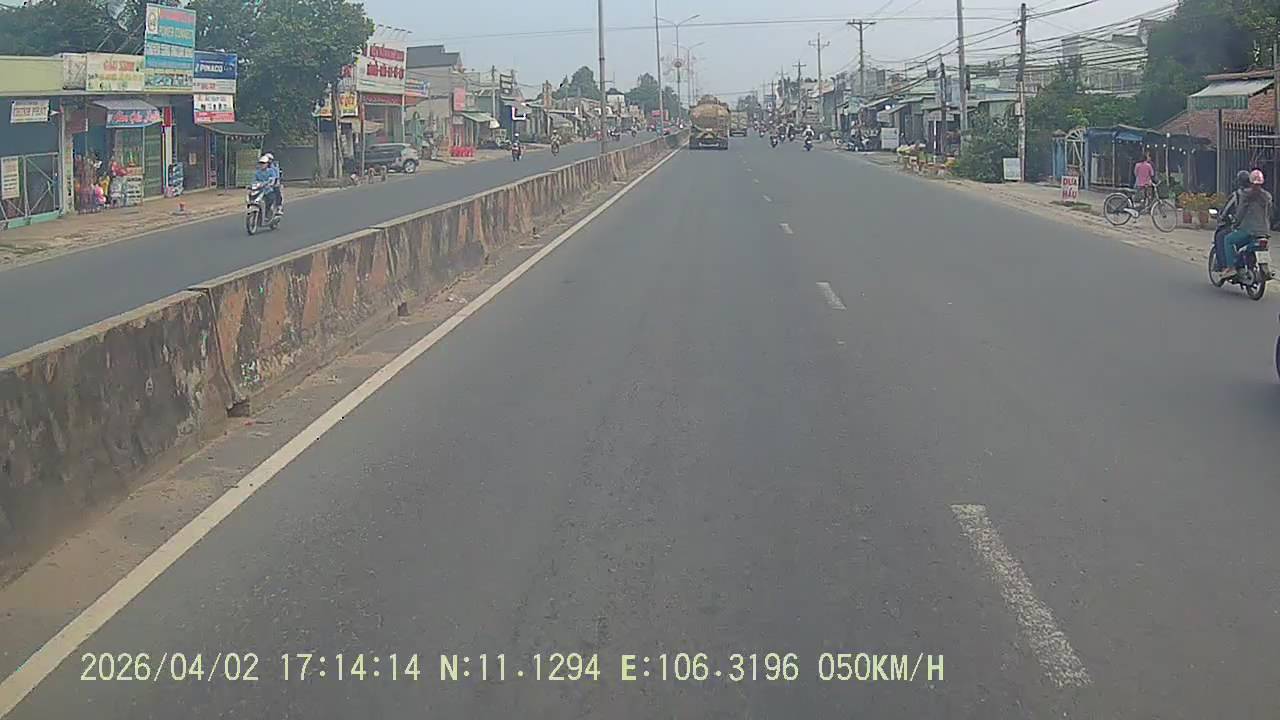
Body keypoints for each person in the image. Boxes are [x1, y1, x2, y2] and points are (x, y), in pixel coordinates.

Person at [1221, 169, 1273, 278]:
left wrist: (1235, 224)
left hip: (1248, 231)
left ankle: (1231, 268)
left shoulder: (1245, 195)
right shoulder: (1267, 196)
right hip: (1264, 232)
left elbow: (1240, 213)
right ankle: (1265, 268)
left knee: (1228, 240)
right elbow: (1269, 214)